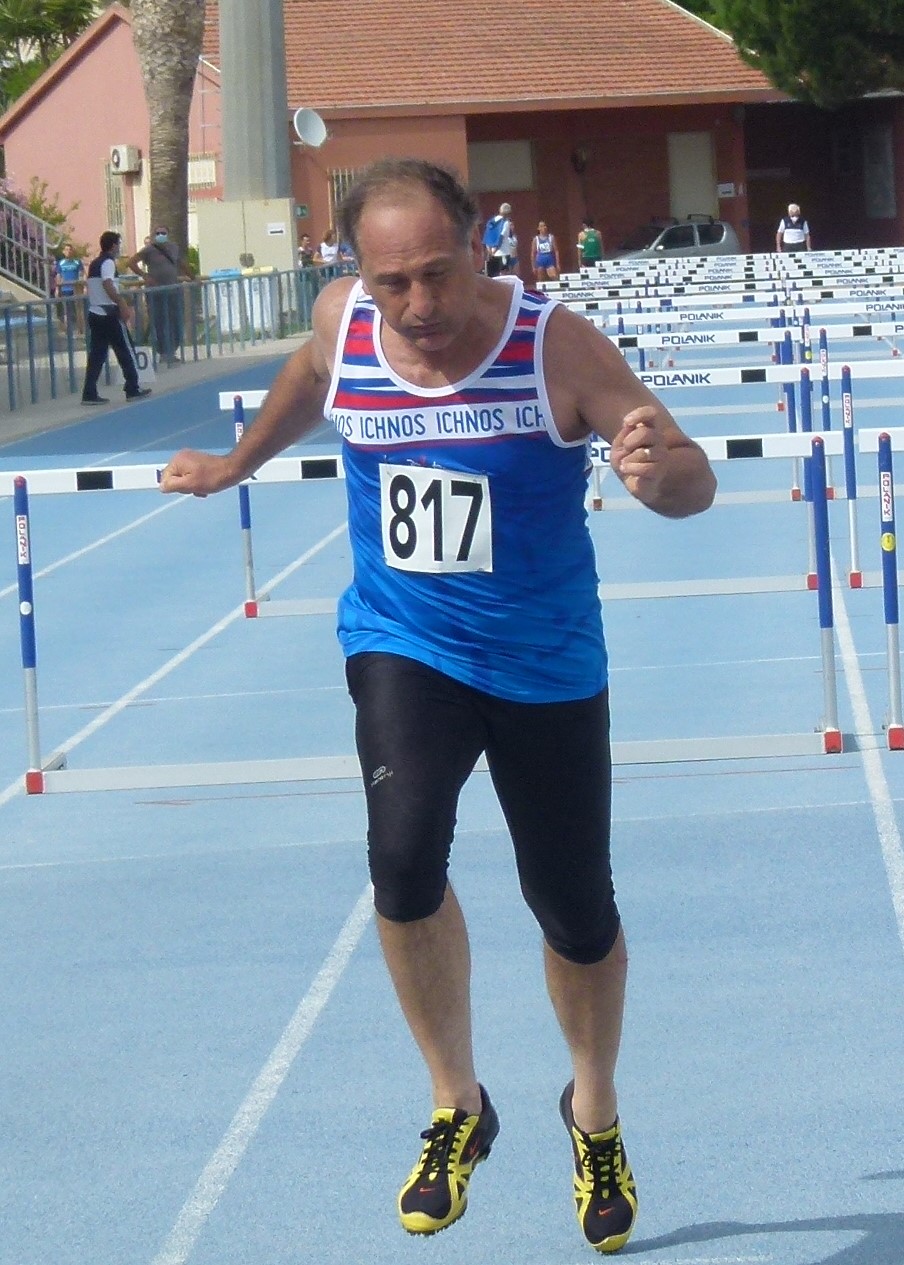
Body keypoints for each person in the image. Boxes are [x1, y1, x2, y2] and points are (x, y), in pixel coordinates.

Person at [160, 158, 716, 1253]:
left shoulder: (555, 345)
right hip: (405, 640)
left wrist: (664, 479)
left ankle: (593, 1108)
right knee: (403, 860)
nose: (418, 303)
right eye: (392, 282)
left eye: (437, 273)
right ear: (355, 274)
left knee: (574, 907)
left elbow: (685, 468)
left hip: (544, 661)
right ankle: (457, 1102)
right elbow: (310, 376)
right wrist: (234, 463)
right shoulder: (345, 322)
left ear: (479, 245)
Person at [81, 230, 151, 405]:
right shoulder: (108, 263)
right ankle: (132, 388)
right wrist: (121, 302)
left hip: (95, 312)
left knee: (97, 355)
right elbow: (107, 283)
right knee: (125, 350)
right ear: (113, 246)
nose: (119, 247)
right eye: (118, 244)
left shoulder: (95, 263)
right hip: (109, 313)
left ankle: (89, 392)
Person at [126, 225, 188, 364]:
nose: (161, 235)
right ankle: (164, 352)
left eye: (163, 233)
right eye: (158, 233)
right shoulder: (149, 250)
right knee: (159, 322)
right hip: (156, 292)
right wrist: (145, 275)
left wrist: (192, 277)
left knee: (175, 321)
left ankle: (172, 350)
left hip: (172, 290)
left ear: (168, 234)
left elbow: (180, 263)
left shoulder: (174, 248)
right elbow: (131, 262)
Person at [53, 242, 85, 333]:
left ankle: (80, 330)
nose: (68, 251)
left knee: (78, 309)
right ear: (64, 251)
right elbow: (58, 276)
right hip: (65, 289)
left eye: (70, 250)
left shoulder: (77, 262)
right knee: (66, 311)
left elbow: (81, 275)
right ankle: (68, 330)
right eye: (66, 250)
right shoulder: (61, 263)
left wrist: (83, 287)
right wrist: (57, 289)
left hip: (76, 289)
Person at [482, 201, 515, 277]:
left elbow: (487, 236)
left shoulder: (491, 222)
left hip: (491, 254)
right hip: (503, 253)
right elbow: (501, 237)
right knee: (504, 276)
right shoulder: (506, 222)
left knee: (493, 276)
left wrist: (490, 250)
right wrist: (495, 250)